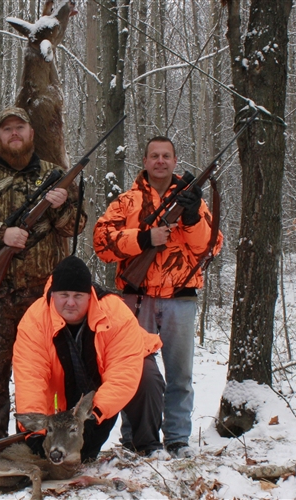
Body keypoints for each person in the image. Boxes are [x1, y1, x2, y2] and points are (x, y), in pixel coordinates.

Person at [0, 107, 87, 439]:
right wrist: (2, 234)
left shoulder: (57, 176)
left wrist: (60, 207)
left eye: (20, 127)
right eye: (7, 129)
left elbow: (77, 226)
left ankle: (47, 444)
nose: (14, 133)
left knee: (49, 376)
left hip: (44, 302)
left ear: (31, 133)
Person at [92, 136, 223, 459]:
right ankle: (134, 436)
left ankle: (178, 438)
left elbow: (211, 246)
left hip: (181, 299)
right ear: (146, 161)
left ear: (175, 161)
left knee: (181, 375)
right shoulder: (126, 202)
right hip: (136, 300)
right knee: (133, 370)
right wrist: (143, 238)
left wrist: (191, 220)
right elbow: (101, 242)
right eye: (154, 156)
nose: (160, 161)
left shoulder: (192, 200)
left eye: (166, 156)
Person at [13, 256, 165, 460]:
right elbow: (31, 378)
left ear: (90, 296)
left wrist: (94, 415)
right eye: (64, 295)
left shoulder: (114, 313)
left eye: (78, 296)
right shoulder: (34, 321)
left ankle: (146, 446)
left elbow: (123, 373)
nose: (70, 303)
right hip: (69, 383)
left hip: (111, 374)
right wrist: (35, 432)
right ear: (52, 295)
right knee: (68, 455)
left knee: (146, 377)